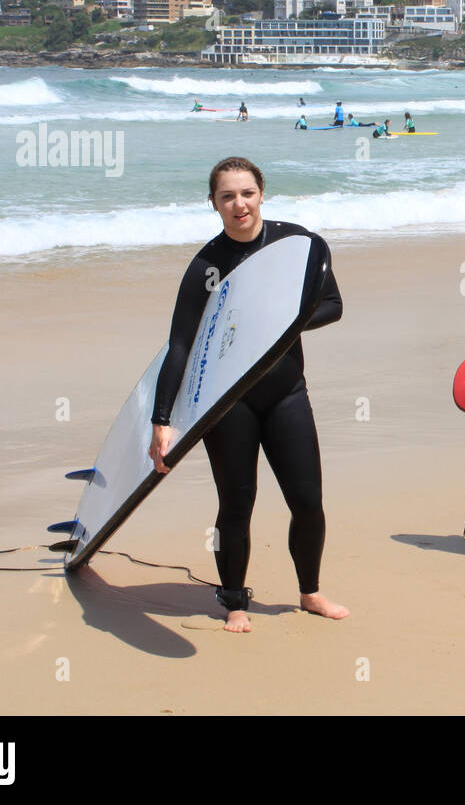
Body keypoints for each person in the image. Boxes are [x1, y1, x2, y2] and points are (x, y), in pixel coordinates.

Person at [147, 157, 348, 632]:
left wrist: (282, 326)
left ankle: (311, 592)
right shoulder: (207, 266)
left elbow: (333, 305)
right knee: (236, 506)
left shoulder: (295, 245)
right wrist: (161, 419)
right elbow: (180, 344)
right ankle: (235, 602)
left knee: (308, 502)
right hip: (230, 403)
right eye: (227, 196)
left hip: (286, 394)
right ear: (213, 204)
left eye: (247, 193)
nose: (239, 204)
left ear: (262, 194)